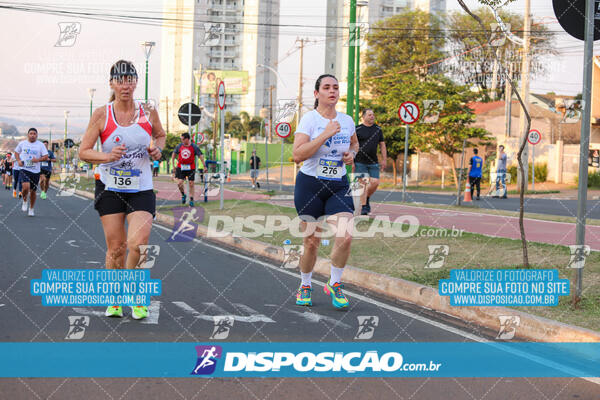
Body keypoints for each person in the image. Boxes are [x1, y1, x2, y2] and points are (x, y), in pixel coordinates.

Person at [78, 60, 166, 320]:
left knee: (138, 244)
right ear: (112, 84)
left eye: (130, 79)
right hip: (110, 187)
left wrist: (157, 148)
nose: (125, 85)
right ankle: (114, 298)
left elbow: (160, 135)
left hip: (141, 187)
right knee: (116, 247)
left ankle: (136, 296)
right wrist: (106, 157)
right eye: (120, 80)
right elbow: (84, 151)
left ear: (136, 82)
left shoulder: (148, 112)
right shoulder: (101, 114)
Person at [292, 74, 358, 309]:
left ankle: (335, 283)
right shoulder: (309, 120)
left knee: (346, 234)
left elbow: (354, 143)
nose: (332, 91)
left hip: (338, 184)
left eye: (336, 87)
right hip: (310, 185)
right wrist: (325, 135)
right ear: (316, 93)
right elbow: (297, 155)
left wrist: (352, 154)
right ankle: (305, 284)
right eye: (327, 87)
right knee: (311, 241)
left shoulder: (347, 120)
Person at [354, 109, 387, 215]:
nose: (372, 116)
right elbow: (352, 145)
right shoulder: (357, 129)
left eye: (373, 114)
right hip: (359, 161)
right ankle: (364, 207)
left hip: (373, 161)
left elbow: (382, 145)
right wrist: (352, 161)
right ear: (363, 117)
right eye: (369, 115)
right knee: (362, 184)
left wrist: (384, 159)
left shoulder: (378, 129)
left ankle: (366, 197)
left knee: (375, 182)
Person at [14, 128, 49, 216]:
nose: (32, 135)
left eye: (34, 134)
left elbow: (45, 156)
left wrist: (37, 160)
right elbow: (16, 153)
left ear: (37, 135)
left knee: (33, 192)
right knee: (25, 187)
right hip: (24, 169)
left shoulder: (40, 145)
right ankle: (25, 201)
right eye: (31, 133)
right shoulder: (22, 143)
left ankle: (31, 208)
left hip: (36, 171)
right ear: (28, 135)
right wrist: (18, 161)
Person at [172, 132, 204, 207]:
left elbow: (200, 155)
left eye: (183, 139)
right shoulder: (179, 146)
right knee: (179, 183)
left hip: (191, 167)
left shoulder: (194, 146)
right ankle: (183, 195)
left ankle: (191, 199)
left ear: (187, 139)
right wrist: (173, 165)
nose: (181, 141)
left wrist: (204, 166)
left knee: (191, 183)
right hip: (181, 167)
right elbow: (174, 154)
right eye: (181, 139)